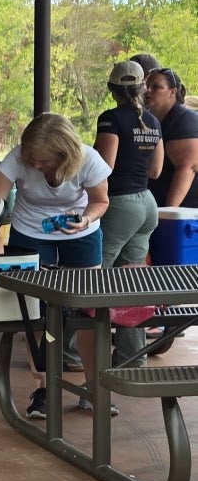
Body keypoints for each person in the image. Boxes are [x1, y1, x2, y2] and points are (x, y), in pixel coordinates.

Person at [0, 113, 110, 421]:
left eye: (44, 161)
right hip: (29, 231)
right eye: (32, 159)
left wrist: (86, 219)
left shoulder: (89, 159)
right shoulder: (18, 158)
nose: (36, 166)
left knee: (88, 310)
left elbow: (101, 201)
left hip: (80, 234)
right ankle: (44, 388)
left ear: (64, 154)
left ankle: (94, 387)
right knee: (35, 311)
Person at [93, 61, 163, 364]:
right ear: (142, 88)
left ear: (112, 90)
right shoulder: (153, 121)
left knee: (91, 278)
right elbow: (157, 171)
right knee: (130, 282)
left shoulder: (111, 119)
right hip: (147, 203)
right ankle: (132, 357)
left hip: (120, 204)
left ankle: (70, 351)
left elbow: (103, 167)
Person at [146, 68, 198, 210]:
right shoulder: (151, 120)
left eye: (156, 87)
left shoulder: (184, 120)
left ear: (173, 92)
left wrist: (169, 212)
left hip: (184, 214)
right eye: (146, 86)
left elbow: (188, 167)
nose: (148, 90)